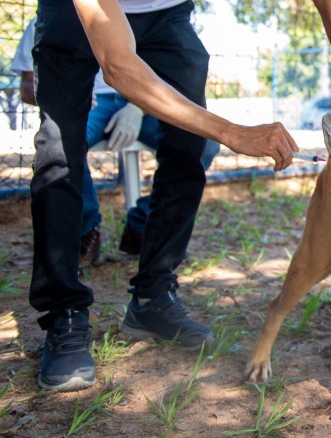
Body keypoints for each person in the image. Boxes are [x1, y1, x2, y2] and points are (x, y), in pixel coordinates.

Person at [30, 0, 331, 393]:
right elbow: (119, 66)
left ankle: (153, 296)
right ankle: (64, 316)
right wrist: (237, 131)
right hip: (75, 9)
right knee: (58, 156)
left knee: (192, 144)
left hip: (165, 12)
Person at [15, 22, 217, 266]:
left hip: (138, 98)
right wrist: (66, 97)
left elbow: (161, 71)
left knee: (203, 142)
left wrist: (136, 107)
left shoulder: (131, 10)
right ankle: (86, 232)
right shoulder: (46, 19)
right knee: (61, 146)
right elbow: (27, 87)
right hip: (87, 100)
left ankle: (142, 227)